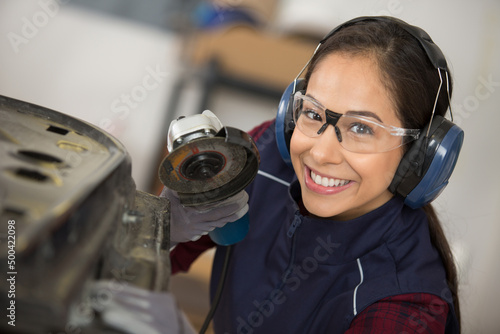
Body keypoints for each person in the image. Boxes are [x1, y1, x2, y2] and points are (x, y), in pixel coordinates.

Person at [168, 16, 462, 334]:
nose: (320, 154)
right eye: (312, 112)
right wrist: (158, 231)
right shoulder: (263, 157)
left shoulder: (405, 308)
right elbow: (138, 262)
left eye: (362, 128)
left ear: (420, 155)